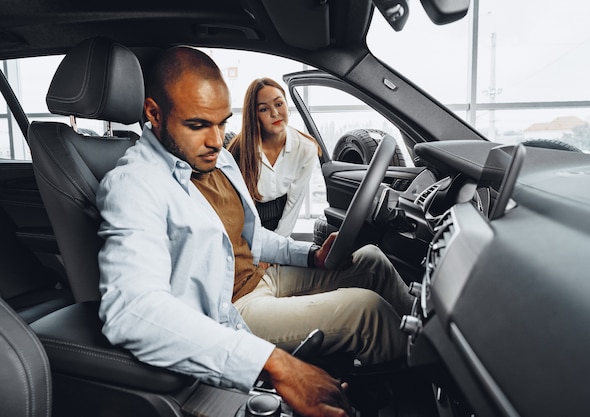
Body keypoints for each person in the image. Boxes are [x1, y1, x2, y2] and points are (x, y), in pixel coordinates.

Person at [96, 46, 414, 417]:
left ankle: (428, 343)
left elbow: (253, 238)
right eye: (198, 125)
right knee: (367, 311)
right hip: (232, 308)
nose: (216, 140)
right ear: (154, 113)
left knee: (373, 260)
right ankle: (423, 387)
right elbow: (131, 311)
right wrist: (277, 363)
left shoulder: (221, 160)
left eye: (222, 123)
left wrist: (311, 256)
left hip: (266, 277)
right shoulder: (135, 184)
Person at [228, 77, 319, 237]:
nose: (275, 113)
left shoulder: (306, 148)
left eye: (279, 104)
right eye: (264, 109)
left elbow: (294, 203)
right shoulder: (239, 149)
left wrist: (276, 247)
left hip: (279, 219)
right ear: (253, 115)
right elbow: (232, 208)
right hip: (244, 220)